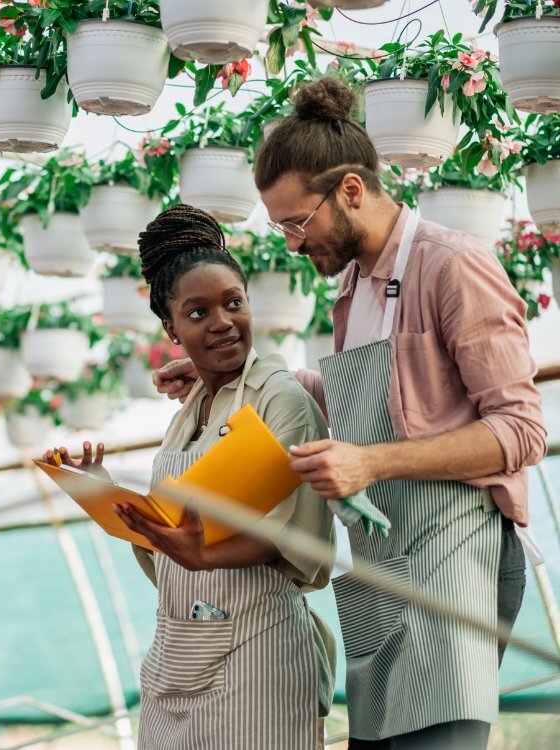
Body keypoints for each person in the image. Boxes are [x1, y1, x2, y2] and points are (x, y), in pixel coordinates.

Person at [153, 78, 548, 749]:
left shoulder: (453, 267)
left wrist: (369, 461)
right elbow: (378, 401)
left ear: (351, 192)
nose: (291, 244)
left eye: (297, 223)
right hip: (381, 562)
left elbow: (521, 430)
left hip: (454, 554)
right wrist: (233, 372)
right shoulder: (354, 292)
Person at [48, 204, 337, 749]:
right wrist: (110, 499)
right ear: (171, 328)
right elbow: (174, 545)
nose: (223, 321)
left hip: (260, 651)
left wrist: (203, 553)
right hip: (177, 650)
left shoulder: (279, 397)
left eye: (233, 303)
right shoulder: (189, 411)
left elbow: (293, 534)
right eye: (198, 313)